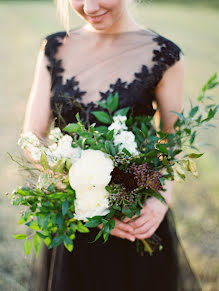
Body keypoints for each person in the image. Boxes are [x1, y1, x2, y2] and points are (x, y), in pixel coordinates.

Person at [21, 0, 202, 290]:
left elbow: (171, 139)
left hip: (134, 220)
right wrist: (71, 186)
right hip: (75, 222)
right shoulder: (54, 48)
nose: (89, 7)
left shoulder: (165, 55)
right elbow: (32, 135)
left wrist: (160, 199)